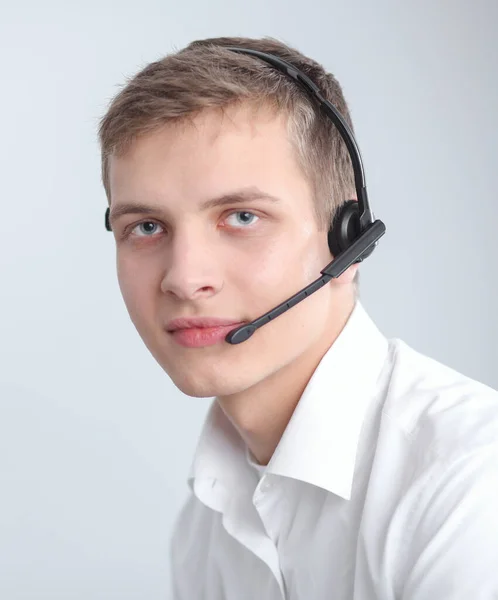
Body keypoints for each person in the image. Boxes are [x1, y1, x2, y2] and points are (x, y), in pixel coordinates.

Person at [98, 36, 498, 599]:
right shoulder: (205, 520)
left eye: (242, 216)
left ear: (348, 240)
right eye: (145, 227)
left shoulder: (470, 487)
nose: (184, 278)